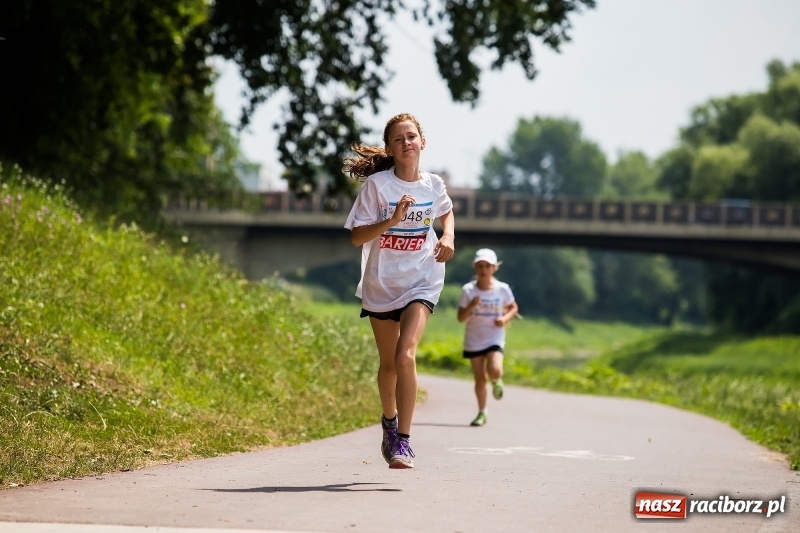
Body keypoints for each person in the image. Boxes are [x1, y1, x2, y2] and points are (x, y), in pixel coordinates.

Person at [343, 113, 455, 469]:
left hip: (422, 279)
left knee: (406, 356)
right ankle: (388, 422)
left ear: (422, 141)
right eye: (398, 139)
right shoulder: (377, 187)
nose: (406, 142)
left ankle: (403, 441)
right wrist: (392, 220)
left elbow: (446, 213)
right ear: (390, 148)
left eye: (411, 136)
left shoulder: (434, 185)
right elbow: (357, 237)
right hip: (382, 283)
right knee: (389, 363)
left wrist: (449, 236)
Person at [457, 248, 518, 427]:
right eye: (480, 266)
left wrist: (504, 318)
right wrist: (471, 306)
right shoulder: (468, 290)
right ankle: (482, 412)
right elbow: (461, 318)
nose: (483, 269)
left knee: (494, 369)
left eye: (487, 266)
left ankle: (497, 379)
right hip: (474, 339)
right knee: (479, 379)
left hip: (494, 336)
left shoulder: (502, 289)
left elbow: (513, 307)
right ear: (475, 267)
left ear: (494, 268)